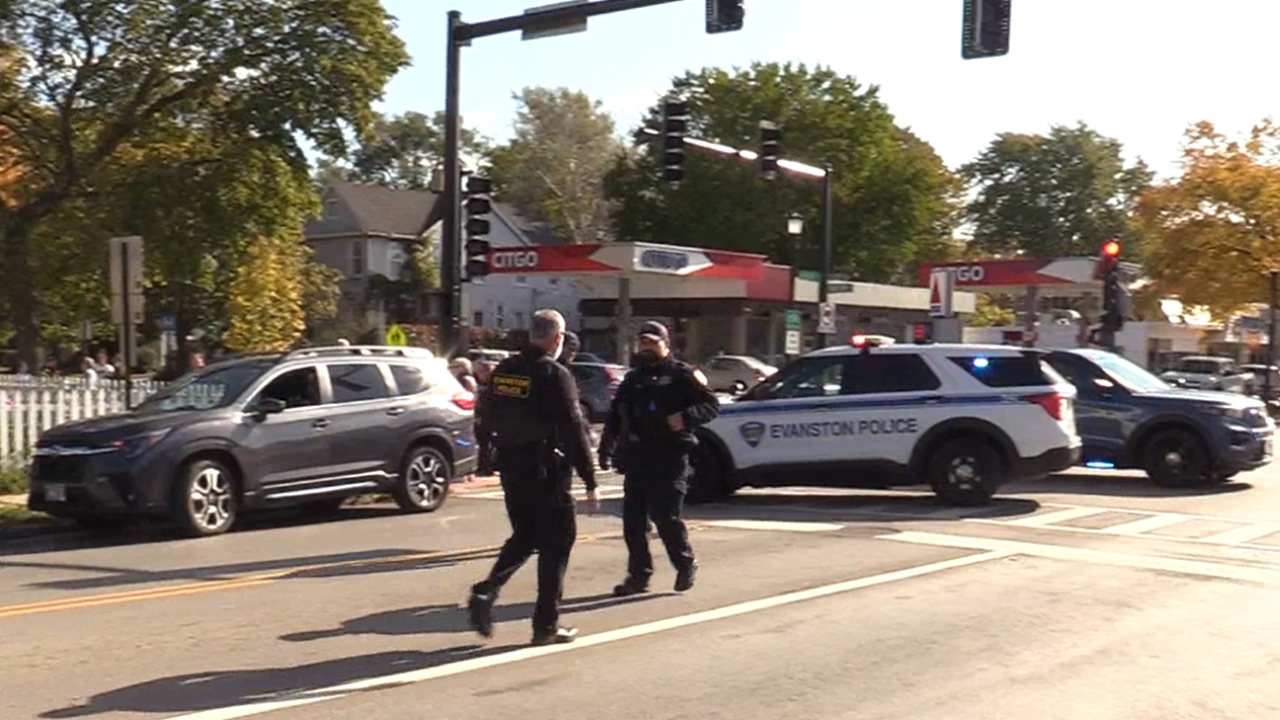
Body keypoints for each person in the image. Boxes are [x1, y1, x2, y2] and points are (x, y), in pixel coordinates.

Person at [466, 309, 600, 646]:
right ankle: (545, 626)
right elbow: (573, 429)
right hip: (547, 473)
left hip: (512, 467)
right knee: (557, 544)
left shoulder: (506, 370)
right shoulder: (554, 374)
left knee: (525, 536)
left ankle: (487, 589)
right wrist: (590, 480)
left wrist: (486, 458)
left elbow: (484, 417)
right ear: (557, 339)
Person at [598, 321, 720, 597]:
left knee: (666, 517)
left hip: (670, 456)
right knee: (633, 522)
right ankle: (639, 575)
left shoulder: (683, 375)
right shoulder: (633, 379)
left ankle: (685, 564)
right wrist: (606, 449)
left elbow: (711, 405)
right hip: (638, 457)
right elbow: (616, 416)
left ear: (666, 344)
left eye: (653, 342)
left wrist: (686, 418)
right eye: (643, 342)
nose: (647, 347)